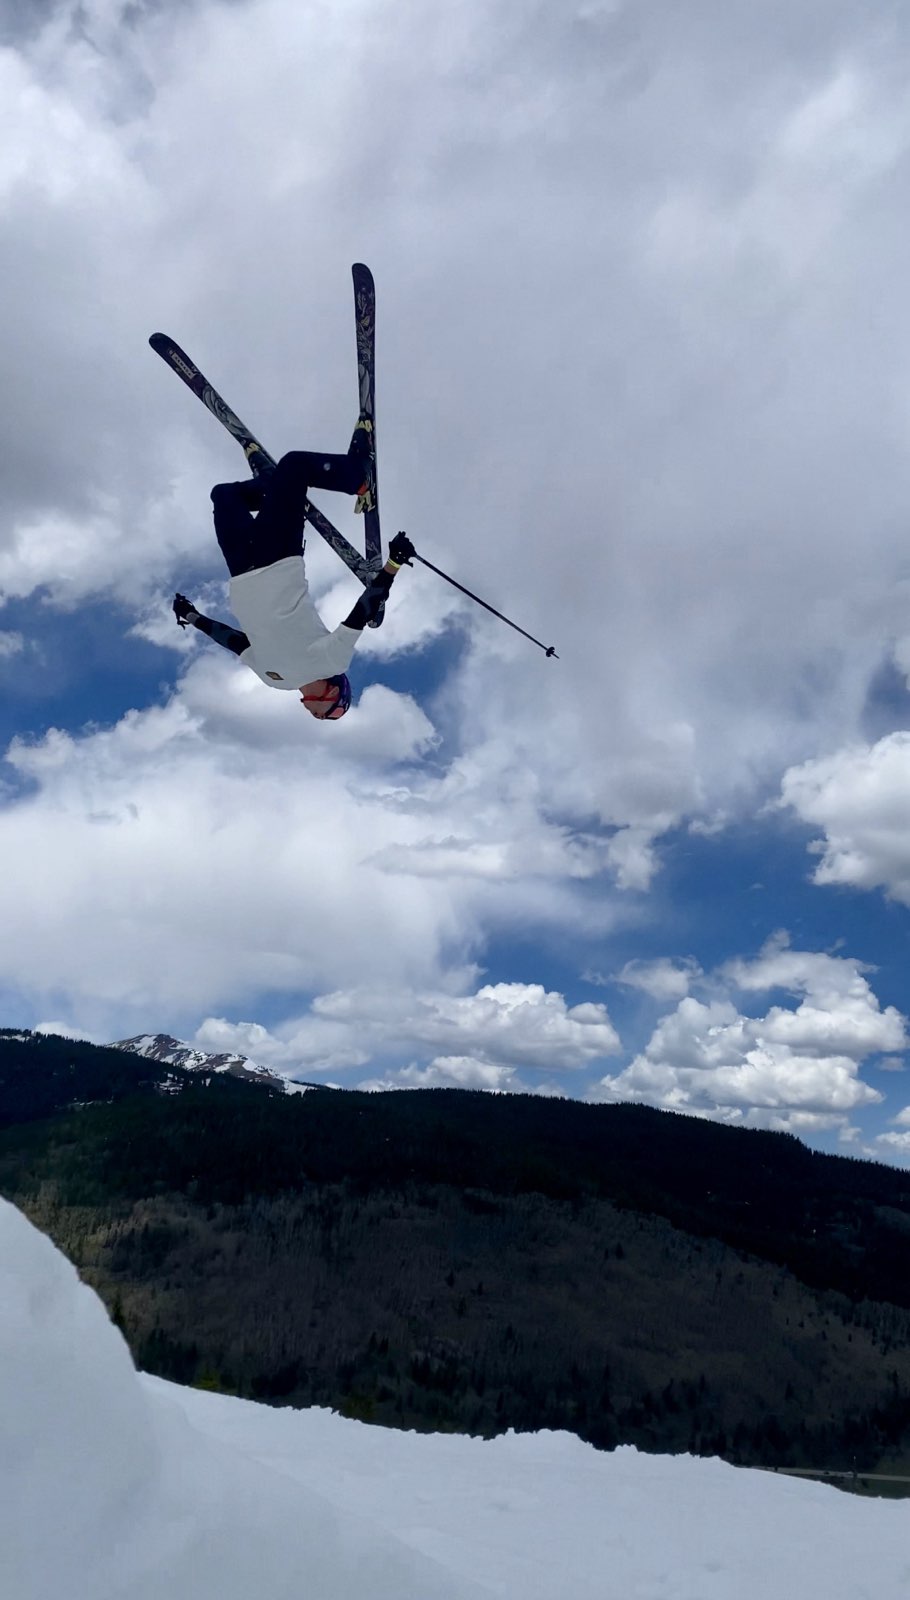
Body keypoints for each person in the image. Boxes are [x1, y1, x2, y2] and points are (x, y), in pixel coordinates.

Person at [172, 439, 415, 720]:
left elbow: (232, 641)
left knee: (224, 495)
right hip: (278, 556)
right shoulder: (332, 662)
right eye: (329, 715)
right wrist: (393, 564)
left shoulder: (274, 680)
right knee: (294, 465)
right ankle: (357, 477)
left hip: (239, 565)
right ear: (336, 695)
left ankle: (270, 486)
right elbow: (361, 613)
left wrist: (191, 616)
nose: (319, 716)